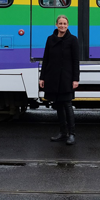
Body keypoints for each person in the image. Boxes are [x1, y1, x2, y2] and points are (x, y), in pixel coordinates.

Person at [39, 15, 80, 145]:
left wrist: (75, 79)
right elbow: (46, 59)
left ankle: (72, 134)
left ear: (68, 25)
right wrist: (42, 77)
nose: (62, 26)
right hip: (53, 77)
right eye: (60, 23)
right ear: (56, 25)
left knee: (67, 105)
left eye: (65, 23)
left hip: (67, 78)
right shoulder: (50, 39)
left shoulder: (73, 40)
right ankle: (63, 133)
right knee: (58, 106)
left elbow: (75, 61)